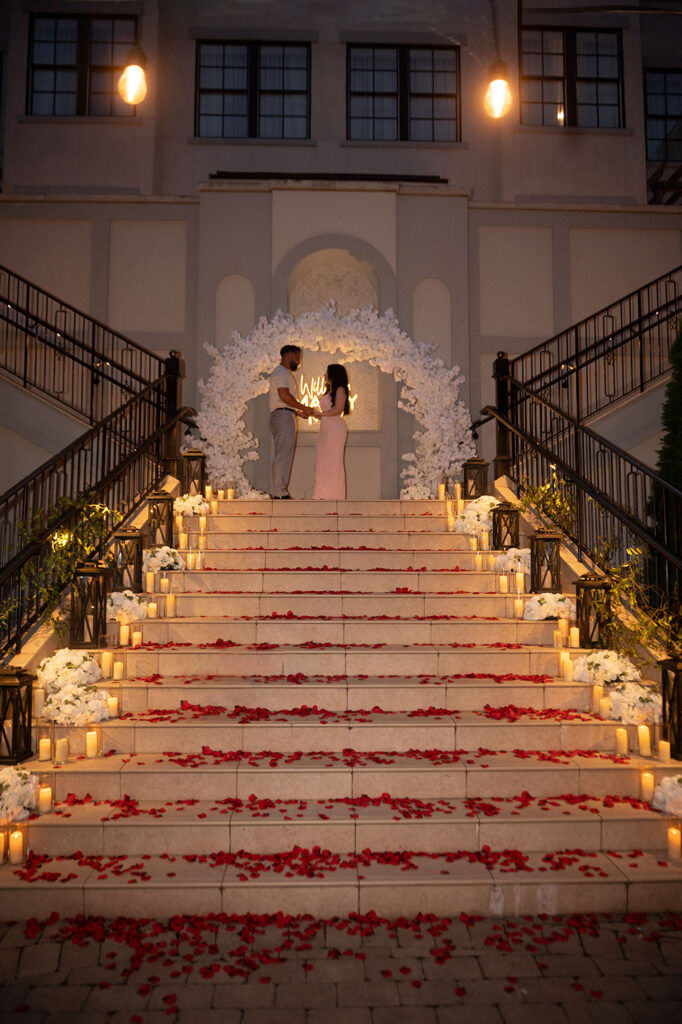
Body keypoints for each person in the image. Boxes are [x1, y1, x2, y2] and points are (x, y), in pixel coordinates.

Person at [269, 345, 318, 499]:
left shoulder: (282, 373)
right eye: (297, 357)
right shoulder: (282, 373)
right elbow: (284, 396)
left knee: (283, 453)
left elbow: (282, 399)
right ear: (289, 355)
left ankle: (280, 490)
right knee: (283, 454)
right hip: (282, 416)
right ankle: (280, 492)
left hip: (284, 415)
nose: (299, 361)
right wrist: (304, 407)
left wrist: (297, 412)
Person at [313, 363, 350, 500]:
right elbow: (328, 412)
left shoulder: (340, 389)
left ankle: (334, 496)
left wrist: (321, 414)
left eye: (327, 373)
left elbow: (338, 410)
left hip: (335, 430)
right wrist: (318, 415)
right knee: (323, 461)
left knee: (333, 462)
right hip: (325, 429)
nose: (324, 375)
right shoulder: (329, 391)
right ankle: (321, 494)